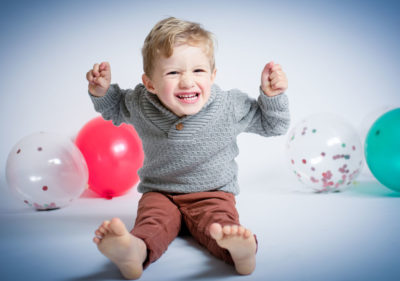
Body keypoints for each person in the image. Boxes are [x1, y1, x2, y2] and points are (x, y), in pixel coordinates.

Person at [86, 17, 290, 280]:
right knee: (151, 223)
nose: (187, 82)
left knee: (221, 226)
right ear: (150, 83)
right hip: (160, 192)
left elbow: (272, 125)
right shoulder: (141, 102)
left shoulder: (229, 106)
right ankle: (134, 251)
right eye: (173, 73)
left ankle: (240, 252)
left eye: (198, 71)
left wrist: (272, 97)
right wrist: (102, 92)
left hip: (213, 193)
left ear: (213, 76)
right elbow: (115, 107)